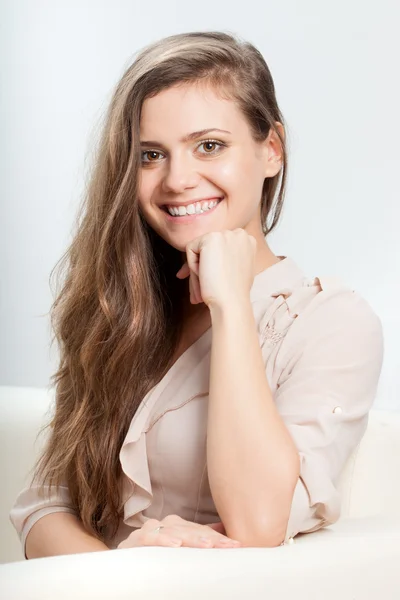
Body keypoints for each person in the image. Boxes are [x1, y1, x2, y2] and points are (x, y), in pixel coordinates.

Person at [10, 31, 383, 559]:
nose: (178, 179)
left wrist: (230, 304)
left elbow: (258, 522)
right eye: (151, 155)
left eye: (209, 145)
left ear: (270, 150)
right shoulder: (116, 309)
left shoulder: (331, 322)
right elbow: (43, 507)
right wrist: (124, 568)